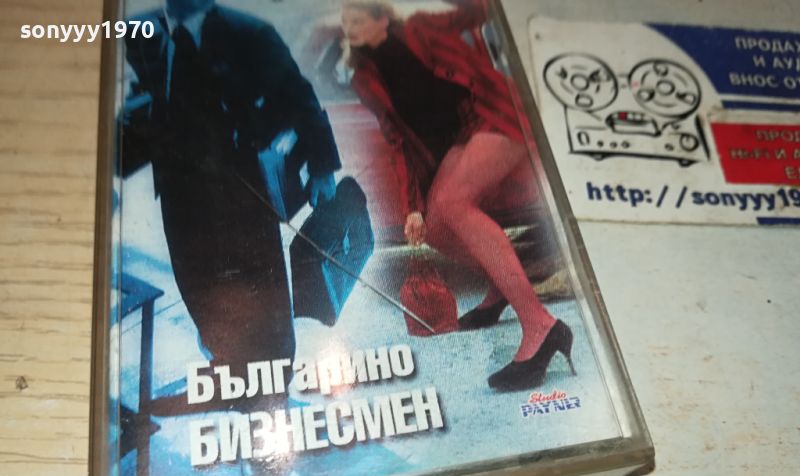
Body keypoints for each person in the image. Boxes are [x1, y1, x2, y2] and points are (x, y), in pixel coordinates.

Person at [341, 0, 574, 391]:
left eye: (357, 19)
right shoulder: (365, 79)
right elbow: (398, 142)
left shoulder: (420, 28)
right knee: (434, 226)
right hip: (462, 139)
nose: (349, 27)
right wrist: (412, 208)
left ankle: (541, 326)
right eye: (346, 20)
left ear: (382, 18)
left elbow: (478, 11)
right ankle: (500, 287)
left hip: (494, 111)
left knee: (453, 203)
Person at [121, 0, 341, 392]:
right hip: (179, 191)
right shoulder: (140, 31)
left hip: (241, 188)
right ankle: (227, 364)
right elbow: (148, 90)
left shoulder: (250, 33)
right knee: (199, 284)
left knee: (263, 290)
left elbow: (299, 95)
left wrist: (322, 168)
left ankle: (275, 380)